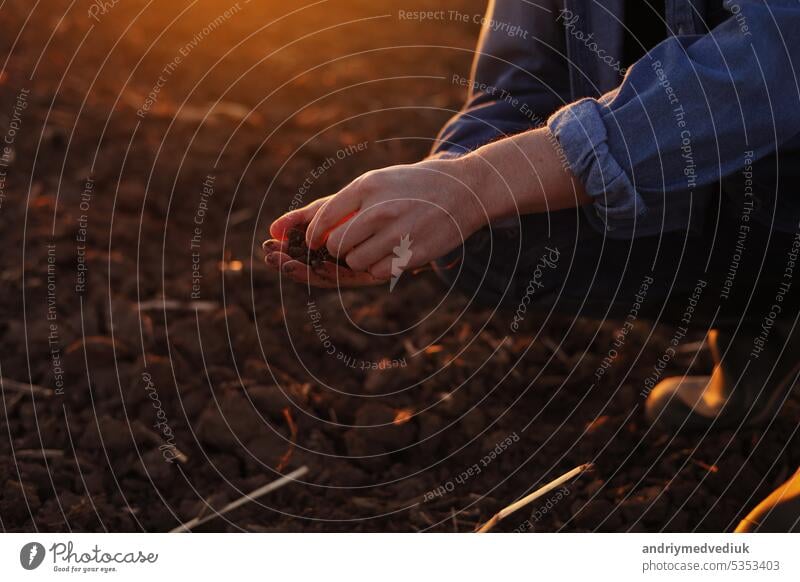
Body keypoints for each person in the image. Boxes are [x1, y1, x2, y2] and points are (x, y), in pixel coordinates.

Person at [264, 0, 800, 531]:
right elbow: (518, 83)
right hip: (728, 198)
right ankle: (761, 337)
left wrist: (479, 183)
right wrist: (440, 191)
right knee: (488, 243)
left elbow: (777, 58)